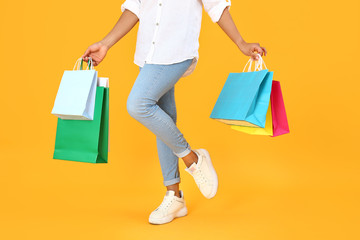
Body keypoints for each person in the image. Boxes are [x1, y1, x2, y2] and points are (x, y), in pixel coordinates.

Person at [82, 0, 267, 225]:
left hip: (177, 51)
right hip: (148, 54)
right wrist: (105, 44)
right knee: (163, 117)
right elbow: (135, 7)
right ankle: (175, 196)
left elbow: (217, 6)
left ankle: (193, 158)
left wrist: (241, 42)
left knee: (138, 104)